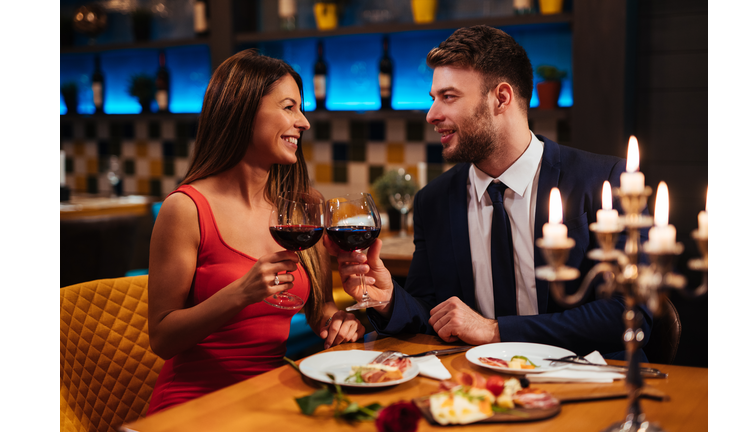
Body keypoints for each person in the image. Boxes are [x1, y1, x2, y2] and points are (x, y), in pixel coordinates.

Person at [325, 25, 651, 359]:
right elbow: (430, 314)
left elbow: (629, 313)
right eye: (433, 99)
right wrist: (390, 298)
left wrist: (496, 331)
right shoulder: (433, 201)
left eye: (448, 97)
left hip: (593, 386)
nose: (431, 114)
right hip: (477, 390)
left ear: (501, 98)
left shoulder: (606, 181)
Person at [146, 50, 364, 414]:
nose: (304, 122)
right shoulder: (185, 209)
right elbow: (162, 338)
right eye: (289, 107)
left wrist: (340, 322)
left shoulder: (301, 207)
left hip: (271, 399)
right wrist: (240, 293)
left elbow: (319, 309)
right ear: (243, 111)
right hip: (194, 405)